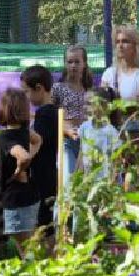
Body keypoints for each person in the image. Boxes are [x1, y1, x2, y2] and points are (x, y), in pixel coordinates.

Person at [0, 86, 42, 247]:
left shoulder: (5, 137)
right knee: (32, 244)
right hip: (30, 194)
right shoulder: (24, 132)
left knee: (24, 249)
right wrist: (32, 155)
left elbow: (23, 156)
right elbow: (38, 140)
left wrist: (18, 170)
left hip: (16, 198)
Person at [100, 25, 139, 136]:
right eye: (117, 42)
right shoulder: (109, 73)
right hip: (113, 132)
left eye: (125, 41)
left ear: (136, 46)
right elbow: (101, 104)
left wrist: (114, 104)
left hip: (138, 132)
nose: (120, 46)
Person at [20, 64, 60, 229]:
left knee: (43, 224)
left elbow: (36, 144)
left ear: (39, 88)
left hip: (42, 177)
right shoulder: (51, 112)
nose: (25, 97)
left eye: (26, 92)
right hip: (48, 173)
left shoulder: (45, 114)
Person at [52, 45, 93, 178]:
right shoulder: (58, 88)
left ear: (84, 64)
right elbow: (50, 115)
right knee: (69, 180)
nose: (73, 66)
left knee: (85, 181)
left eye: (77, 62)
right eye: (69, 62)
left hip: (86, 141)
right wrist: (66, 128)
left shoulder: (89, 89)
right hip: (67, 141)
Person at [77, 86, 124, 176]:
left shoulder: (111, 132)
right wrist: (76, 177)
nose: (85, 107)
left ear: (104, 106)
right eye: (84, 103)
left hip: (104, 181)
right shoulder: (84, 127)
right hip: (87, 180)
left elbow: (116, 163)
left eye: (89, 103)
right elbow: (81, 155)